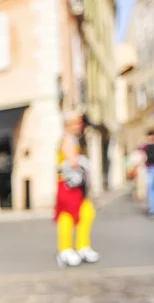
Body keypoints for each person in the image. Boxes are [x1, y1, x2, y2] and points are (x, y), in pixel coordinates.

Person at [54, 111, 100, 268]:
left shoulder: (73, 140)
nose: (79, 126)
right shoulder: (68, 141)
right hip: (68, 186)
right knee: (67, 216)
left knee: (86, 213)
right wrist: (82, 161)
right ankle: (65, 250)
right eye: (76, 122)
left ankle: (82, 247)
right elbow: (72, 162)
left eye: (79, 122)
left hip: (76, 186)